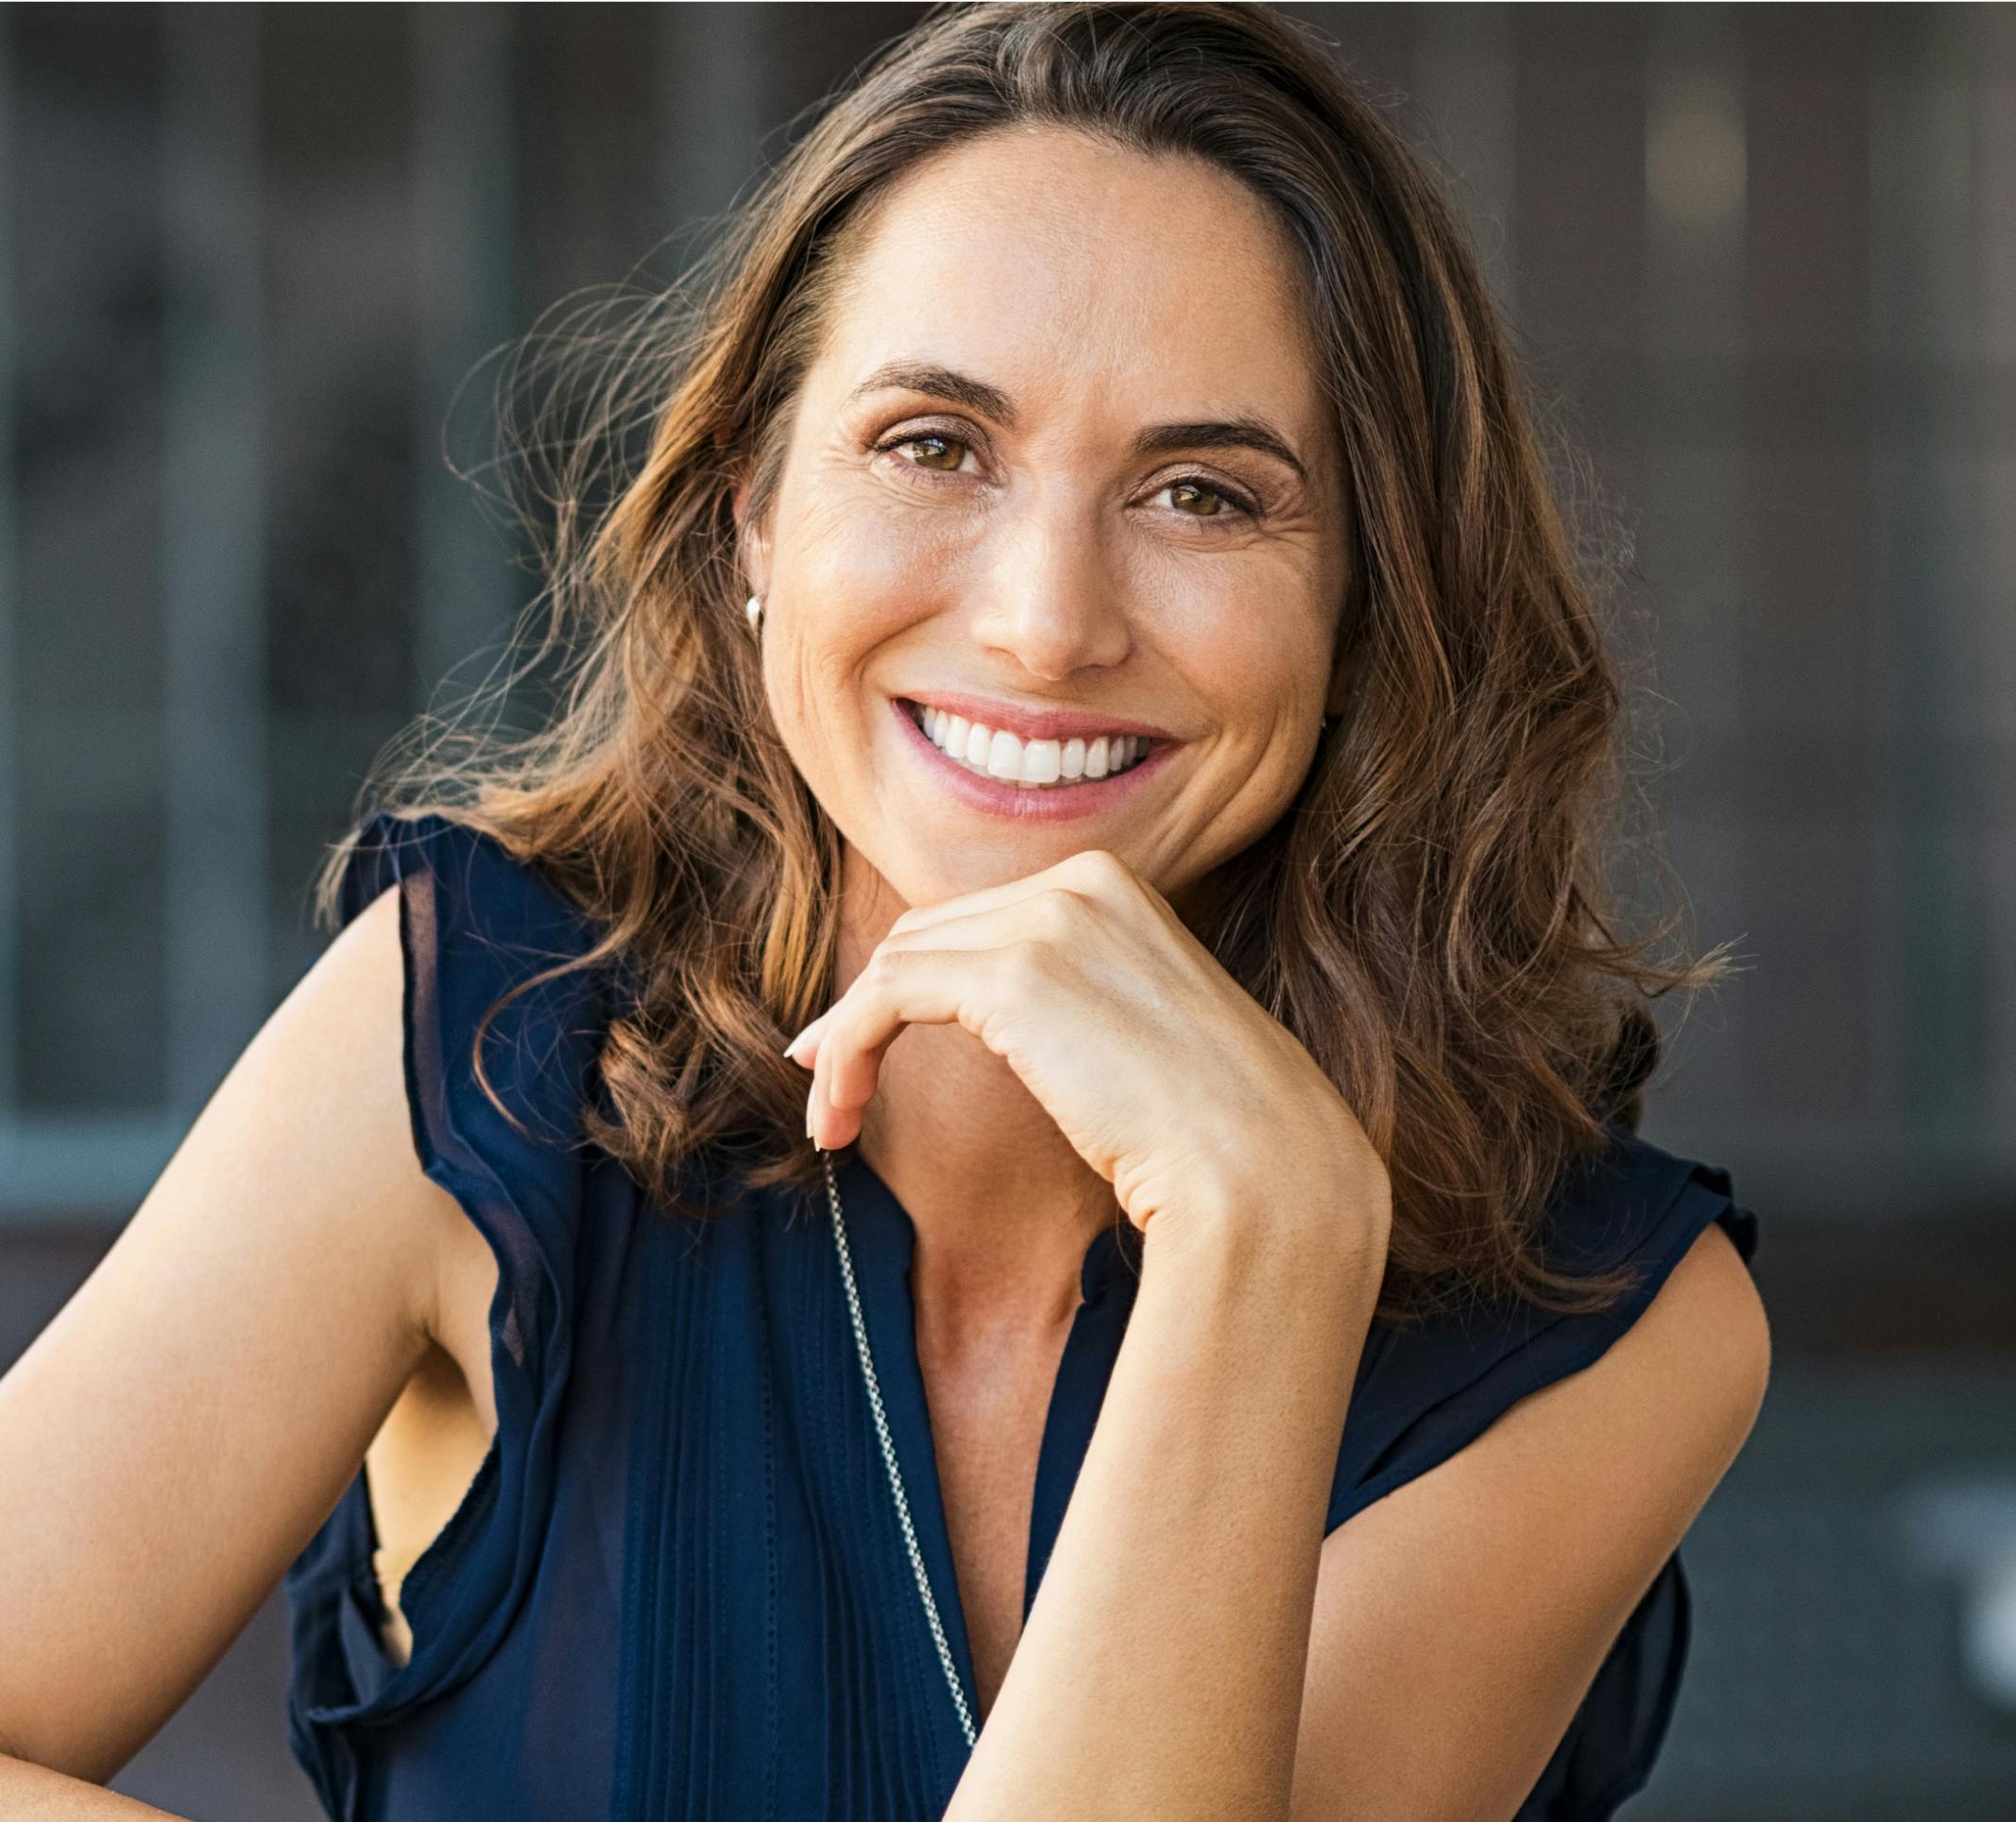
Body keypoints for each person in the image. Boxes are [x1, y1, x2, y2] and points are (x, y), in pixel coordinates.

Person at [0, 4, 1771, 1818]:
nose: (1041, 621)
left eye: (1200, 492)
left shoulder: (1613, 1319)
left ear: (1366, 604)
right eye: (933, 444)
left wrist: (1263, 1238)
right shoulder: (482, 1038)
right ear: (753, 516)